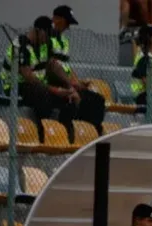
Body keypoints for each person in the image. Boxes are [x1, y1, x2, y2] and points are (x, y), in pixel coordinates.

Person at [0, 17, 76, 135]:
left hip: (39, 86)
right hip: (16, 86)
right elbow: (28, 76)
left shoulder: (45, 45)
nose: (49, 38)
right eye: (47, 35)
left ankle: (64, 134)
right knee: (42, 95)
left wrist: (70, 86)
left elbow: (54, 65)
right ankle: (43, 133)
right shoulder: (20, 46)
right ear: (38, 31)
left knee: (70, 98)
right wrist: (54, 90)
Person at [47, 5, 106, 135]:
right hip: (53, 81)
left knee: (98, 99)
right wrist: (70, 83)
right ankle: (74, 133)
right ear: (56, 19)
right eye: (67, 22)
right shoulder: (46, 39)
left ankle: (93, 132)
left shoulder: (64, 41)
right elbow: (51, 67)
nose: (68, 27)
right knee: (76, 99)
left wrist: (77, 82)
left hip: (65, 81)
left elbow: (66, 66)